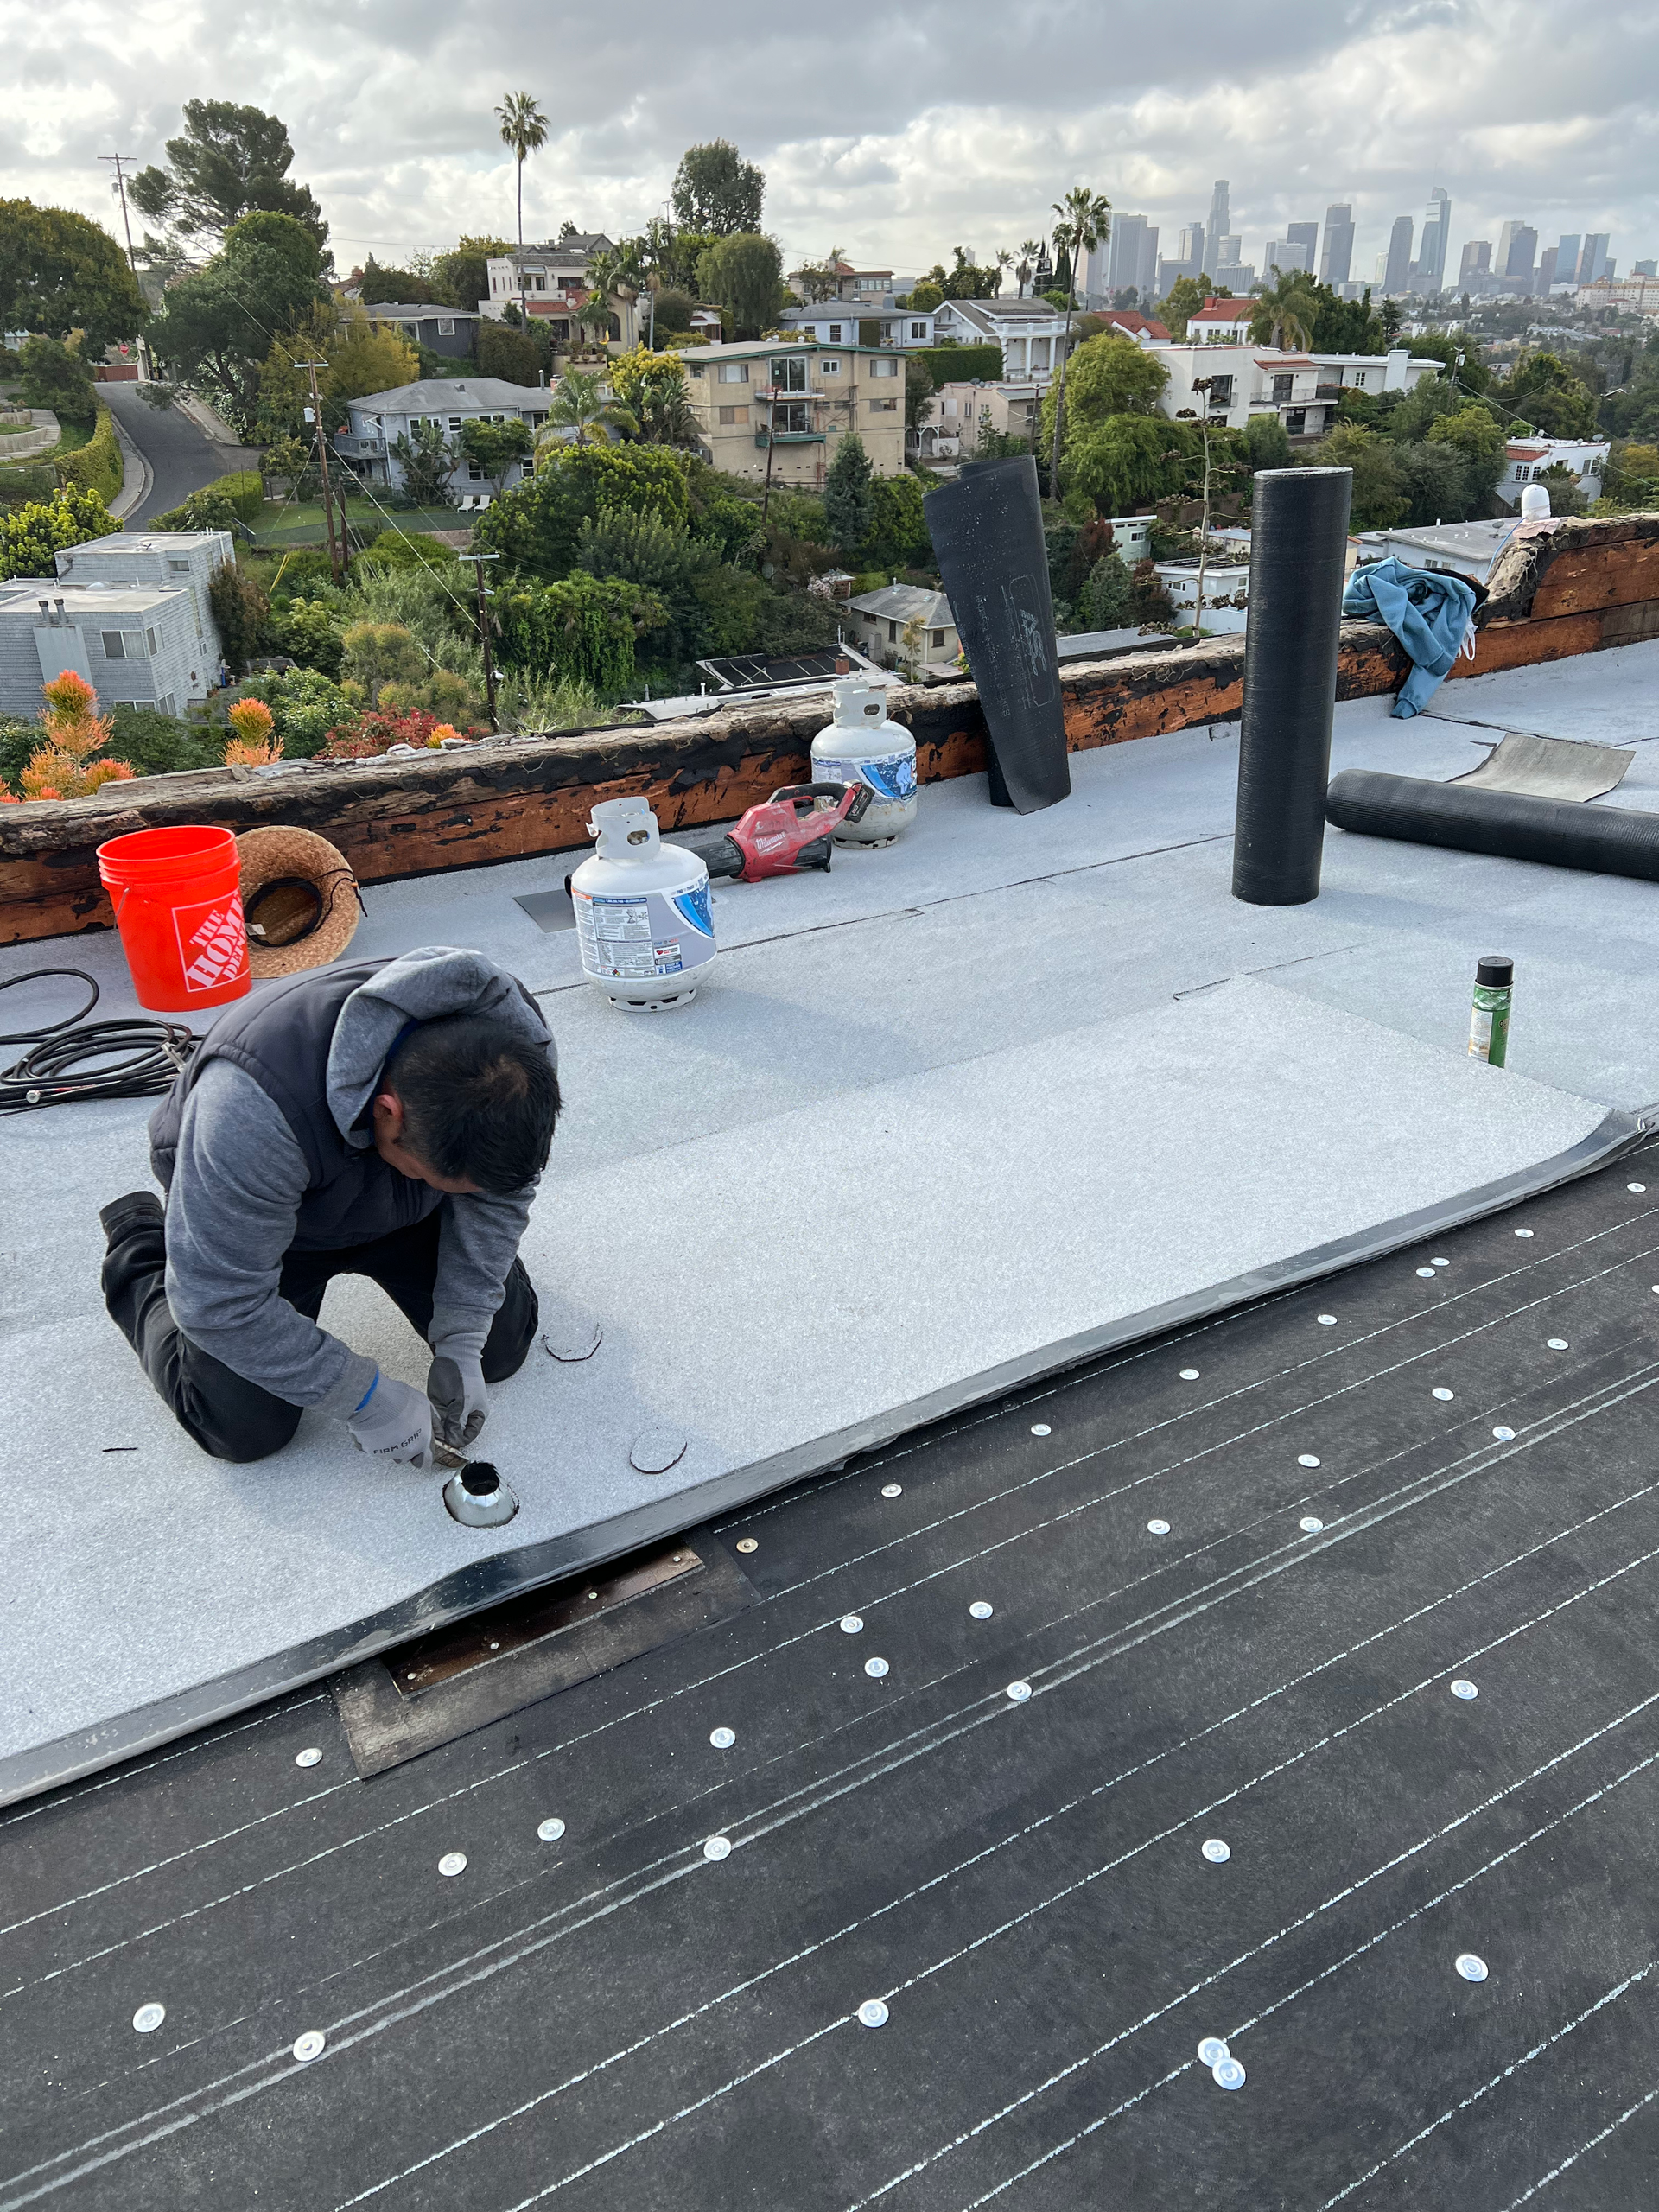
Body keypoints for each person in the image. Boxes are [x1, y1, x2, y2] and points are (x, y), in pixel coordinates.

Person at [99, 947, 560, 1469]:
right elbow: (220, 1306)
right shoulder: (248, 1111)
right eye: (447, 1180)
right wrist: (366, 1399)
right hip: (286, 1223)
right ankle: (140, 1242)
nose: (468, 1196)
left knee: (500, 1351)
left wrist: (463, 1334)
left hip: (408, 1201)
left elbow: (503, 1194)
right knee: (243, 1431)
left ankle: (437, 1218)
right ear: (389, 1113)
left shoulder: (518, 1056)